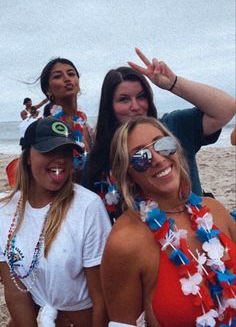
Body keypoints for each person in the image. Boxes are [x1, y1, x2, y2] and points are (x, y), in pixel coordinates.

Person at [101, 116, 236, 327]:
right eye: (141, 156)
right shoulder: (125, 243)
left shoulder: (215, 210)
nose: (157, 158)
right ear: (128, 174)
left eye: (163, 145)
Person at [82, 48, 235, 222]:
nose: (135, 106)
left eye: (141, 96)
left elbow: (226, 108)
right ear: (109, 107)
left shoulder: (173, 126)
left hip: (196, 234)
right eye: (124, 99)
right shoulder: (97, 160)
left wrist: (173, 83)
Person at [0, 117, 111, 327]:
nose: (60, 159)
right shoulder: (5, 211)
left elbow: (102, 297)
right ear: (28, 156)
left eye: (65, 152)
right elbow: (15, 291)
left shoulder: (88, 207)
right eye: (48, 151)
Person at [39, 58, 94, 179]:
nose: (67, 78)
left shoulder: (86, 127)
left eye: (71, 74)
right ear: (48, 89)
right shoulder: (47, 128)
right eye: (58, 76)